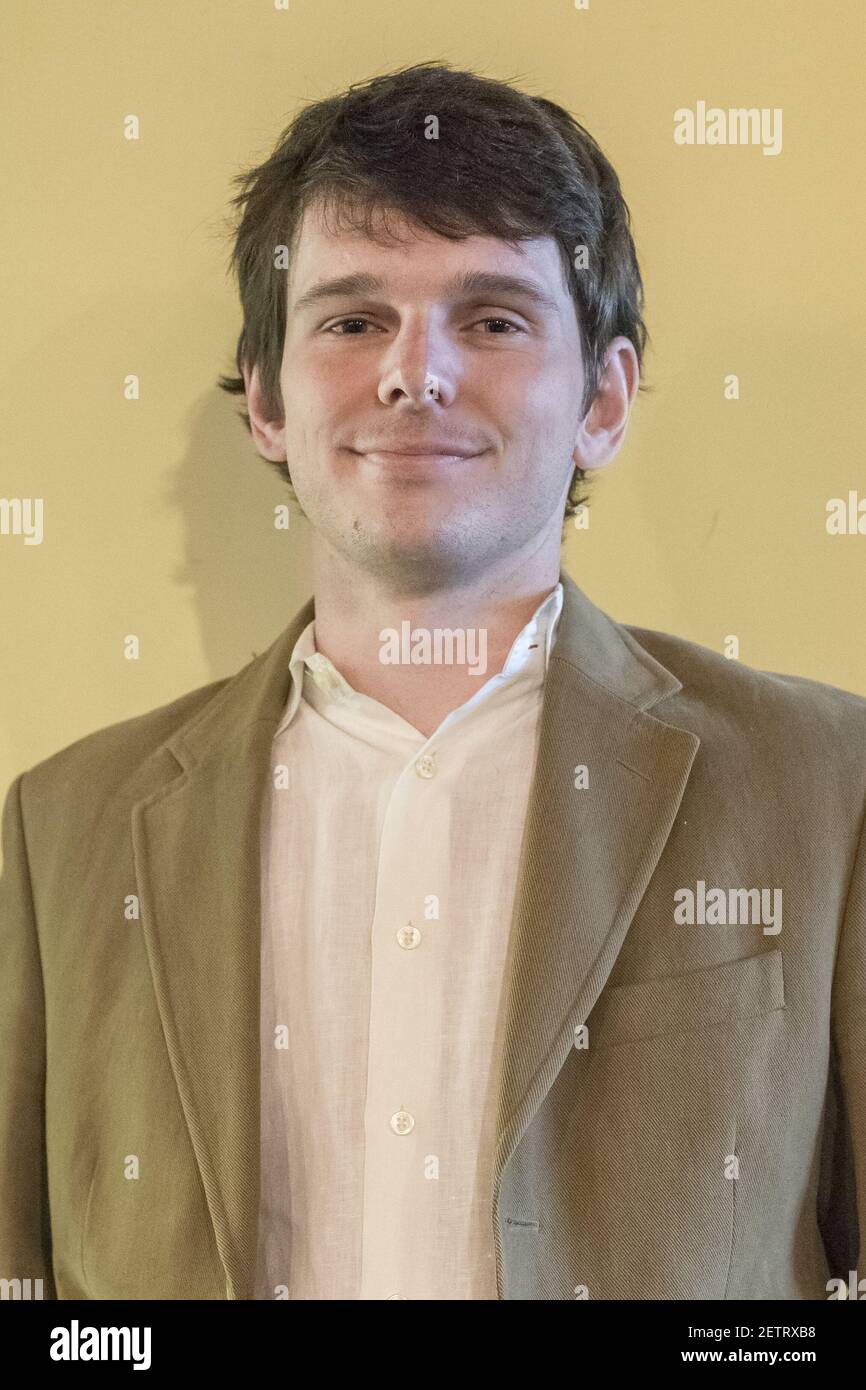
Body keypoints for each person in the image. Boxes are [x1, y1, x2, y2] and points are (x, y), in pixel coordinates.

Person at [1, 61, 863, 1302]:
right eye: (352, 319)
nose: (417, 373)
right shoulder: (62, 826)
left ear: (603, 401)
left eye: (493, 318)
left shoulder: (825, 788)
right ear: (265, 399)